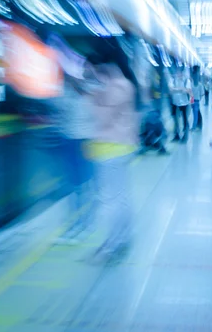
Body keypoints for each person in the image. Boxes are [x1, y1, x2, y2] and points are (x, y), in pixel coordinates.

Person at [86, 42, 140, 262]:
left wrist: (91, 97)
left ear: (106, 66)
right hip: (120, 146)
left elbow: (102, 118)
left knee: (110, 200)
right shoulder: (124, 84)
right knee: (121, 197)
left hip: (111, 148)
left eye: (96, 69)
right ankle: (122, 237)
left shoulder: (117, 87)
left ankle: (112, 244)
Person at [45, 34, 97, 245]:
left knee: (81, 186)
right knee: (74, 185)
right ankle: (77, 223)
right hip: (71, 141)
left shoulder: (90, 91)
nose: (82, 72)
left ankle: (83, 224)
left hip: (83, 142)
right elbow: (58, 112)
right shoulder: (68, 91)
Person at [168, 66, 192, 143]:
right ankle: (176, 135)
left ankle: (185, 136)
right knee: (175, 119)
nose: (178, 74)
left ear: (182, 73)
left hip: (184, 103)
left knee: (185, 120)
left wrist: (177, 89)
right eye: (177, 72)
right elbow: (171, 90)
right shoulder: (173, 80)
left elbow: (188, 90)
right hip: (175, 103)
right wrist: (181, 89)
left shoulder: (186, 81)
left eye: (180, 72)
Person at [191, 65, 203, 131]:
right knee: (196, 113)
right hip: (195, 100)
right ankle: (198, 126)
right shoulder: (197, 83)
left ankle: (194, 127)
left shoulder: (194, 83)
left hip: (194, 100)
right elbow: (201, 94)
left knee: (195, 114)